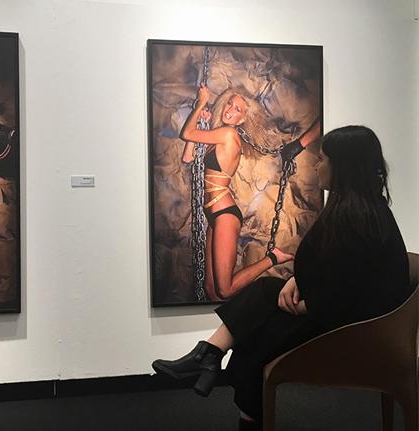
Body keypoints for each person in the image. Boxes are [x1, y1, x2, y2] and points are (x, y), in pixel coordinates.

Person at [153, 125, 412, 430]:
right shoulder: (356, 211)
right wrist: (298, 281)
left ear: (342, 167)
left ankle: (212, 364)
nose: (316, 165)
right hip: (336, 312)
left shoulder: (357, 219)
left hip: (353, 330)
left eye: (323, 159)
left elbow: (356, 289)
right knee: (265, 291)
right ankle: (210, 355)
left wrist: (310, 303)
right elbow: (334, 270)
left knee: (255, 337)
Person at [180, 85, 321, 301]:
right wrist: (200, 119)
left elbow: (186, 133)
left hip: (225, 214)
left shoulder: (229, 134)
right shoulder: (217, 137)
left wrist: (200, 103)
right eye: (229, 104)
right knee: (211, 290)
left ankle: (272, 258)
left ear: (242, 120)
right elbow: (188, 157)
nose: (230, 110)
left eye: (237, 109)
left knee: (225, 289)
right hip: (213, 215)